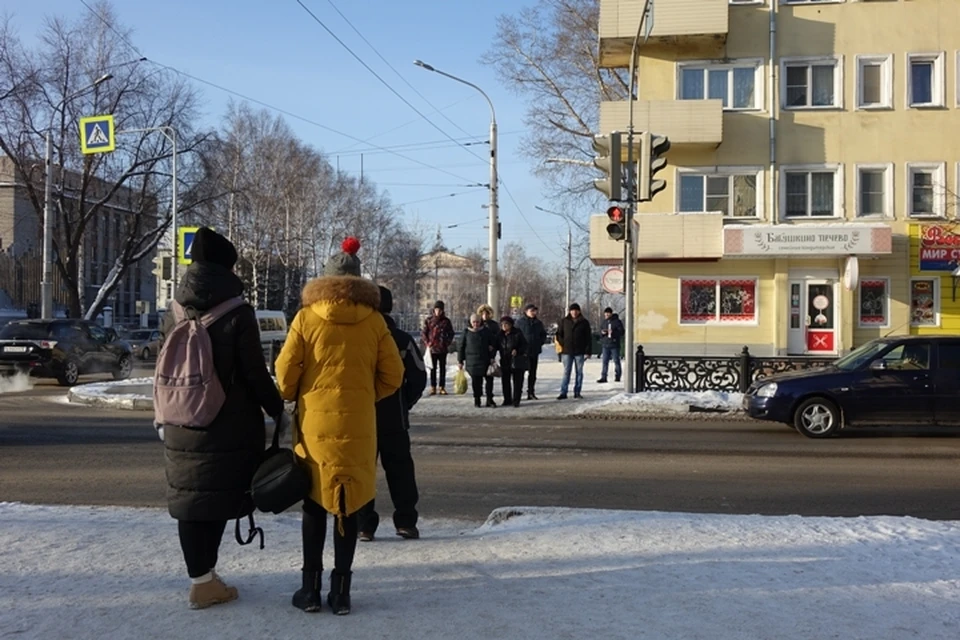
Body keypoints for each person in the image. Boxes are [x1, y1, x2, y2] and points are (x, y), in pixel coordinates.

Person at [275, 237, 405, 616]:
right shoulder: (376, 321)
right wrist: (365, 395)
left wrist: (296, 394)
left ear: (326, 280)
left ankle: (310, 589)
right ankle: (342, 593)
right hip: (360, 425)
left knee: (315, 503)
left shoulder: (306, 317)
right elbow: (393, 376)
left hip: (315, 425)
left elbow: (285, 373)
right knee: (348, 504)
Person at [158, 227, 284, 610]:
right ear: (228, 267)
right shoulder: (238, 312)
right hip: (226, 424)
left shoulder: (175, 310)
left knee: (191, 499)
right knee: (212, 500)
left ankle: (201, 578)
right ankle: (205, 584)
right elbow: (254, 374)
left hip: (179, 418)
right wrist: (277, 409)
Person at [357, 285, 427, 542]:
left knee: (363, 471)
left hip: (360, 418)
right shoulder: (401, 339)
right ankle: (406, 521)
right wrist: (403, 402)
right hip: (394, 418)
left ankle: (364, 524)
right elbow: (419, 376)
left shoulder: (357, 337)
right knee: (400, 471)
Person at [555, 303, 592, 400]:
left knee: (579, 372)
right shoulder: (564, 321)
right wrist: (563, 343)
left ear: (579, 311)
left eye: (576, 310)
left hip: (579, 351)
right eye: (572, 310)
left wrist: (588, 351)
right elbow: (559, 334)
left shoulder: (584, 322)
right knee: (566, 372)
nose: (574, 312)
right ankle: (563, 392)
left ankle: (577, 392)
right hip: (567, 351)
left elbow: (588, 337)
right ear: (569, 311)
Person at [458, 314, 495, 408]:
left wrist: (492, 355)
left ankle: (489, 399)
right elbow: (461, 347)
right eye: (474, 322)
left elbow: (493, 344)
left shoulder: (486, 331)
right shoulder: (466, 332)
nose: (476, 324)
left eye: (477, 322)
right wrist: (460, 360)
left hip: (485, 360)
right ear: (471, 322)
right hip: (472, 362)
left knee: (489, 380)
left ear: (480, 322)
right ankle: (477, 400)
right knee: (476, 382)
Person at [421, 300, 454, 396]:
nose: (438, 312)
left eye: (440, 310)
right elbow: (424, 333)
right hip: (432, 349)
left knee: (443, 368)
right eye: (436, 310)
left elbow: (451, 333)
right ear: (434, 310)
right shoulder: (429, 320)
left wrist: (446, 342)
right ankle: (433, 387)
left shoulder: (446, 321)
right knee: (433, 368)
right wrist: (427, 343)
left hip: (442, 349)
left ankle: (442, 387)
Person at [515, 304, 547, 400]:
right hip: (523, 352)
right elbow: (515, 334)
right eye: (531, 311)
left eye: (534, 311)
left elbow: (543, 335)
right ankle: (518, 393)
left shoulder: (538, 323)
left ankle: (531, 392)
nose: (533, 312)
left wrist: (539, 343)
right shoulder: (520, 322)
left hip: (534, 351)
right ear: (526, 311)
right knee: (520, 373)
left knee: (532, 373)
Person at [498, 316, 529, 408]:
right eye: (502, 324)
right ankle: (507, 399)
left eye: (506, 324)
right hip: (505, 360)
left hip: (517, 361)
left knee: (517, 382)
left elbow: (525, 346)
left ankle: (516, 400)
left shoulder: (517, 333)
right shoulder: (499, 335)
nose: (504, 326)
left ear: (511, 325)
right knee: (505, 381)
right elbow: (495, 345)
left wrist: (517, 351)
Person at [476, 304, 500, 407]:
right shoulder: (477, 324)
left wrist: (493, 348)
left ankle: (489, 398)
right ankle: (478, 399)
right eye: (483, 313)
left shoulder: (494, 325)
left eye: (487, 313)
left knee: (489, 377)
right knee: (478, 379)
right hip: (479, 355)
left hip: (490, 355)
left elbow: (497, 338)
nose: (484, 315)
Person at [597, 307, 625, 384]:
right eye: (605, 313)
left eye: (608, 313)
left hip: (614, 344)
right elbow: (599, 332)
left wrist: (613, 332)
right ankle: (604, 376)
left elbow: (621, 332)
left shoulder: (617, 322)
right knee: (605, 361)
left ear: (611, 313)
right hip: (605, 344)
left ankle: (618, 376)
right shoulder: (604, 322)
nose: (606, 314)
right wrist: (602, 333)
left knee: (616, 361)